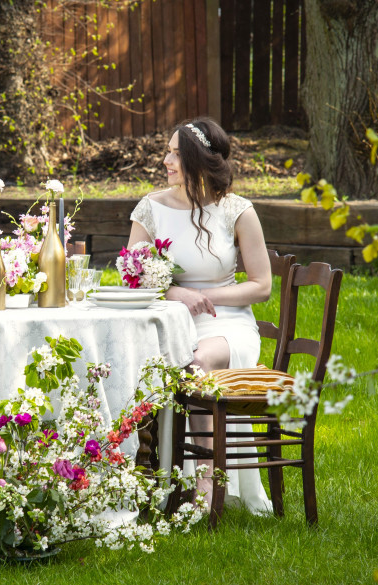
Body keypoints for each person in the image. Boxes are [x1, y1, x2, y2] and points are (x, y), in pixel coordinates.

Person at [127, 117, 273, 514]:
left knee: (197, 363)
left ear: (197, 161)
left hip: (228, 325)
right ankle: (138, 478)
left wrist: (207, 295)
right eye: (168, 151)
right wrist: (178, 293)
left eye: (175, 153)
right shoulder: (150, 208)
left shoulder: (236, 210)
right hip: (170, 322)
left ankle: (205, 490)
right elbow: (132, 278)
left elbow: (262, 285)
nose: (166, 160)